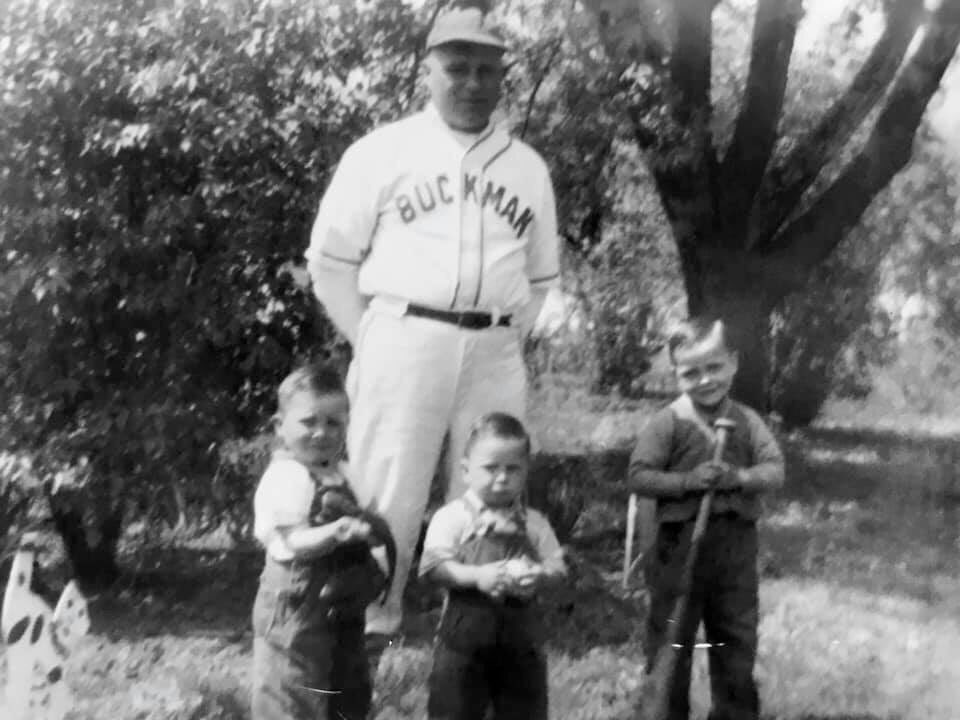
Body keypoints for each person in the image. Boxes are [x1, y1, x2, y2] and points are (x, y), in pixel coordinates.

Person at [304, 0, 561, 653]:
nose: (472, 82)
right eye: (457, 67)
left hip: (495, 342)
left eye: (486, 69)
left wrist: (508, 335)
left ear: (503, 76)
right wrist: (372, 336)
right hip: (404, 331)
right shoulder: (382, 151)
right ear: (429, 70)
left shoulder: (528, 167)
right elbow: (329, 262)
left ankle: (474, 619)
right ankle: (370, 621)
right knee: (387, 480)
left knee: (490, 481)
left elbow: (540, 279)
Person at [626, 318, 785, 720]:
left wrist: (739, 478)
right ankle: (664, 711)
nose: (705, 380)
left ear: (734, 362)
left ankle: (734, 713)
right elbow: (639, 476)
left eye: (714, 367)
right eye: (690, 372)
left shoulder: (747, 421)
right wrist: (687, 482)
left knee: (735, 638)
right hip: (678, 547)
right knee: (672, 637)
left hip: (734, 548)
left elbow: (774, 470)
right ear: (675, 373)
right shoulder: (668, 422)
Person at [250, 362, 395, 720]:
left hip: (342, 604)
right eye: (308, 422)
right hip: (295, 606)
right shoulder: (286, 476)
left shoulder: (346, 474)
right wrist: (335, 532)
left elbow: (372, 520)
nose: (321, 433)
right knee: (292, 690)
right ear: (280, 426)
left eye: (333, 423)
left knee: (345, 688)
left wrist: (373, 540)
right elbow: (293, 541)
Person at [419, 412, 566, 720]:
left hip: (521, 645)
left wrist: (540, 575)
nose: (502, 478)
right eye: (491, 468)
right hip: (464, 644)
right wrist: (476, 576)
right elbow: (434, 567)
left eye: (513, 469)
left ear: (525, 472)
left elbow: (558, 569)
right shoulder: (453, 518)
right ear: (465, 471)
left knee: (524, 711)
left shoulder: (534, 523)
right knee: (454, 711)